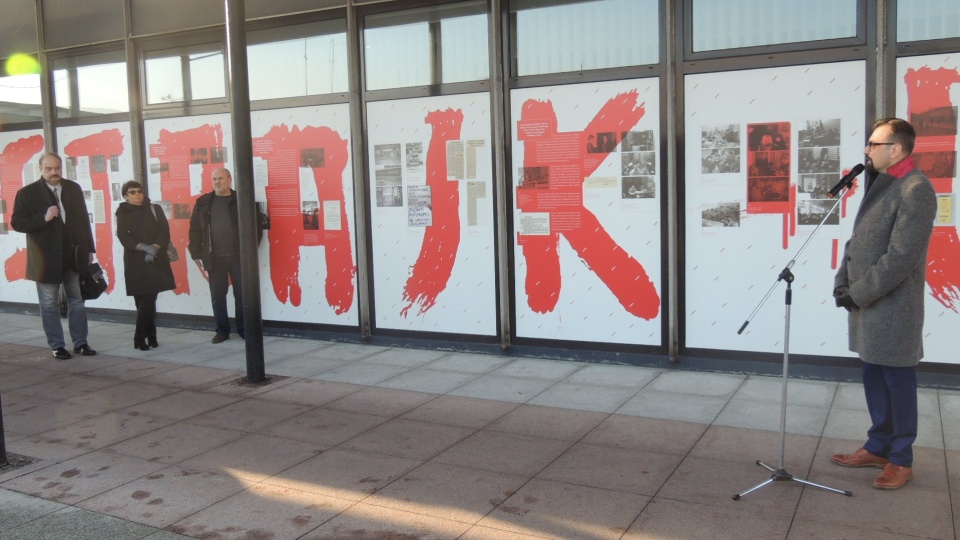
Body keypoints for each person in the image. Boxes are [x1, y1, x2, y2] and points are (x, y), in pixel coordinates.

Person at [831, 118, 937, 490]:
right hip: (866, 302)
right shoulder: (884, 182)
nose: (867, 149)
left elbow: (901, 257)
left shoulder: (916, 189)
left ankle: (901, 459)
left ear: (897, 149)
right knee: (873, 375)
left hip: (892, 306)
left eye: (874, 144)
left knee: (897, 379)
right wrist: (842, 280)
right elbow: (860, 240)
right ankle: (878, 446)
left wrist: (857, 292)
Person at [10, 152, 97, 360]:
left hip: (73, 255)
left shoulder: (73, 188)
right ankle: (57, 345)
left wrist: (89, 250)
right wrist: (44, 217)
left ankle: (81, 343)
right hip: (46, 259)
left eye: (57, 168)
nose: (54, 172)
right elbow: (17, 223)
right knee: (49, 304)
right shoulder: (27, 193)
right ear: (41, 169)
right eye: (49, 168)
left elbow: (83, 221)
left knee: (77, 301)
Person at [188, 168, 249, 343]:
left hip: (238, 257)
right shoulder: (204, 202)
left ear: (229, 179)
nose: (217, 182)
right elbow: (194, 230)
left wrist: (248, 250)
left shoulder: (241, 200)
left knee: (242, 294)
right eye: (214, 179)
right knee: (217, 296)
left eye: (221, 178)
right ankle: (222, 330)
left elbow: (255, 228)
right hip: (214, 257)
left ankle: (244, 329)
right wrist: (196, 253)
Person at [115, 181, 176, 350]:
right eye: (132, 192)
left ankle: (139, 337)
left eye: (139, 191)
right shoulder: (122, 212)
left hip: (155, 259)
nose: (137, 195)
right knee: (141, 299)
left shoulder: (154, 209)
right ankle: (151, 336)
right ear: (126, 196)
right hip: (135, 260)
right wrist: (143, 247)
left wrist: (154, 248)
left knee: (149, 298)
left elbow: (164, 231)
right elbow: (122, 236)